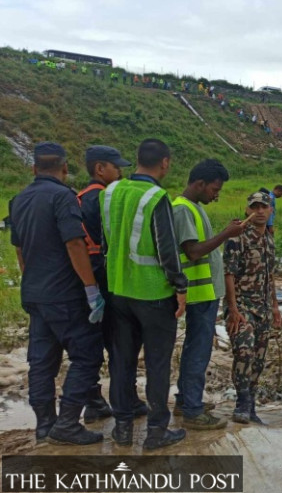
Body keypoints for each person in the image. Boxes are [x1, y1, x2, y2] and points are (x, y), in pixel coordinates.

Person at [11, 142, 105, 445]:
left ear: (34, 169)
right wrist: (91, 289)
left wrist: (32, 281)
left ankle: (45, 425)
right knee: (87, 355)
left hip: (35, 294)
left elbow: (19, 249)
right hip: (64, 295)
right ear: (65, 168)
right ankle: (67, 423)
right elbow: (75, 244)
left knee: (41, 361)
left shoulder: (19, 199)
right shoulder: (63, 197)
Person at [102, 138, 188, 450]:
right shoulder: (156, 197)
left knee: (122, 360)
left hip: (118, 291)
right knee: (157, 363)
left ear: (137, 159)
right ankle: (156, 431)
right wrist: (180, 286)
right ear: (164, 162)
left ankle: (122, 428)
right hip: (153, 294)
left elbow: (107, 239)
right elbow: (168, 250)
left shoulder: (111, 191)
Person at [78, 145, 149, 424]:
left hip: (86, 281)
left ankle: (94, 400)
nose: (120, 172)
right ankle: (126, 399)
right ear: (100, 169)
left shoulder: (80, 198)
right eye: (115, 167)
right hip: (108, 279)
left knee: (90, 344)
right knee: (122, 343)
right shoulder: (105, 198)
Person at [172, 159, 245, 430]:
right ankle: (192, 410)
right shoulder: (182, 210)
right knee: (198, 352)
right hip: (197, 293)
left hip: (204, 294)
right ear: (199, 184)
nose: (216, 194)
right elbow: (192, 251)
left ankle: (186, 401)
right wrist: (226, 234)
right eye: (214, 189)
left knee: (196, 348)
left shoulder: (194, 207)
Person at [224, 191, 282, 425]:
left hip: (264, 307)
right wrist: (233, 309)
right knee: (244, 351)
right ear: (247, 210)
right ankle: (242, 401)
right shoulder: (237, 238)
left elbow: (270, 275)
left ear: (271, 211)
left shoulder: (268, 239)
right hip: (242, 306)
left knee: (258, 357)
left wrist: (276, 306)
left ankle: (252, 405)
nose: (259, 211)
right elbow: (228, 274)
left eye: (263, 207)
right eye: (254, 207)